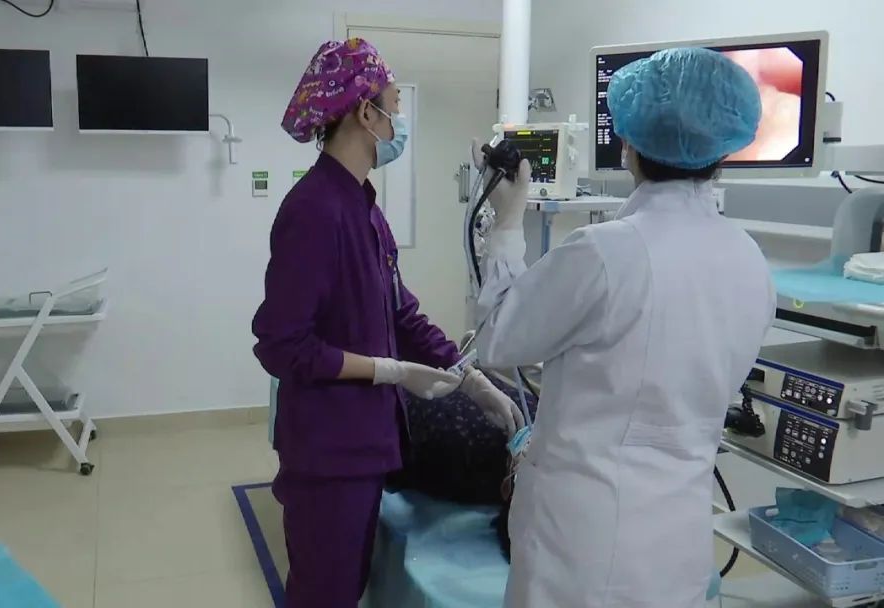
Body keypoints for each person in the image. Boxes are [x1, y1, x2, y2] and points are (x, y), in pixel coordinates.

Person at [473, 47, 776, 608]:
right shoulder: (749, 259)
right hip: (679, 534)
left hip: (584, 539)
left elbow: (498, 338)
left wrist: (508, 224)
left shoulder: (605, 253)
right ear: (722, 151)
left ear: (628, 143)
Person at [251, 38, 523, 608]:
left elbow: (401, 314)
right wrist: (389, 371)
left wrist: (469, 377)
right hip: (329, 452)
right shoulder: (314, 210)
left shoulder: (364, 208)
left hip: (366, 442)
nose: (400, 120)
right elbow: (282, 344)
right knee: (324, 595)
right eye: (395, 105)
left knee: (346, 588)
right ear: (364, 112)